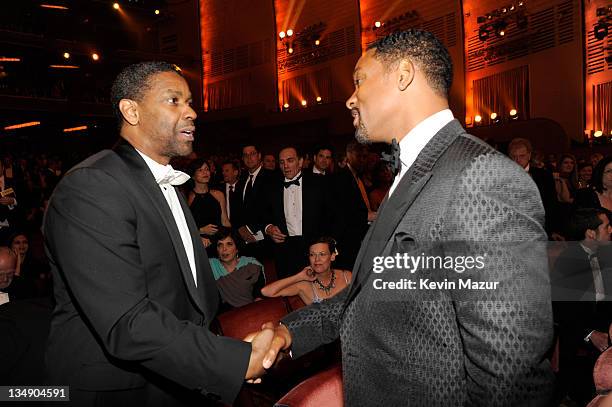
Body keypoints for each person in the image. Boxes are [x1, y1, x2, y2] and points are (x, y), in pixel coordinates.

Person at [256, 30, 554, 406]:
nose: (350, 98)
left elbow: (509, 375)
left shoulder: (480, 178)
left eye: (359, 80)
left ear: (403, 75)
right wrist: (289, 332)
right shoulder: (414, 171)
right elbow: (372, 290)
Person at [43, 61, 274, 406]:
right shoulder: (92, 185)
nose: (192, 111)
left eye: (190, 101)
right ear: (131, 111)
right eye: (174, 100)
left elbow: (190, 301)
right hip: (116, 391)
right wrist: (231, 361)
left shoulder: (165, 184)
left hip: (174, 379)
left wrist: (224, 352)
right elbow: (128, 322)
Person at [552, 208, 612, 405]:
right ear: (590, 233)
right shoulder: (568, 262)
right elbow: (562, 312)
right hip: (580, 336)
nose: (611, 230)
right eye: (606, 226)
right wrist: (590, 334)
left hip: (605, 324)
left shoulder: (605, 253)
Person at [261, 146, 332, 279]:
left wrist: (329, 244)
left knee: (319, 290)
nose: (285, 166)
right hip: (284, 249)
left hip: (315, 248)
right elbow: (262, 214)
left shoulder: (319, 183)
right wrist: (268, 228)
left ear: (300, 162)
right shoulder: (270, 186)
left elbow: (332, 215)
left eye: (290, 160)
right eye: (282, 162)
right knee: (288, 293)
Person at [262, 237, 351, 305]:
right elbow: (266, 291)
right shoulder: (304, 285)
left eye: (322, 254)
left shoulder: (346, 277)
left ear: (332, 256)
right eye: (312, 255)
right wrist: (299, 276)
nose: (317, 259)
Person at [209, 227, 265, 309]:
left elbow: (259, 295)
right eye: (220, 245)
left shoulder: (251, 265)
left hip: (251, 311)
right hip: (223, 316)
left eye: (229, 244)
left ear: (237, 248)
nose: (224, 249)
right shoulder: (210, 265)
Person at [187, 158, 230, 238]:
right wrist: (200, 231)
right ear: (193, 175)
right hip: (198, 241)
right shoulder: (188, 197)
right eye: (200, 170)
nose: (205, 172)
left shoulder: (218, 194)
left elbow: (225, 221)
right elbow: (184, 226)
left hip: (219, 239)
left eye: (207, 169)